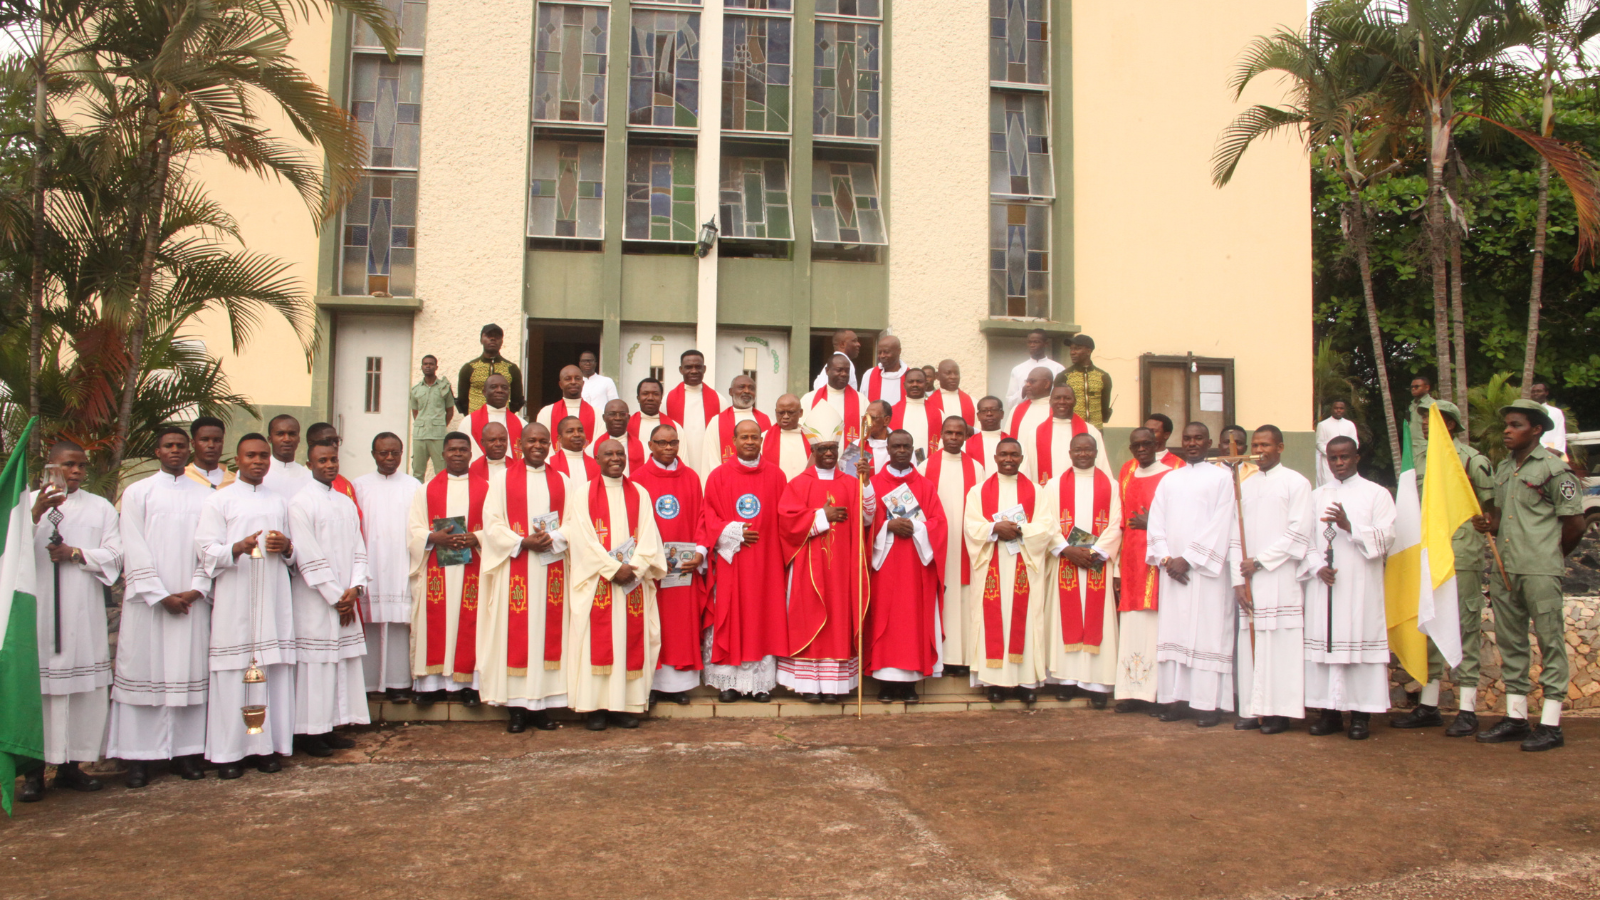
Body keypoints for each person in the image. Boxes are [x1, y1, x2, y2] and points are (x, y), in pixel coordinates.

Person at [1474, 399, 1585, 751]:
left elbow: (1575, 523)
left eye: (1516, 424)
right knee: (1511, 642)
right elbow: (1504, 516)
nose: (1507, 430)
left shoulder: (1554, 470)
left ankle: (1551, 724)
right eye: (1506, 424)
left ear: (1536, 429)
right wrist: (1487, 523)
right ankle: (1517, 718)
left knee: (1550, 643)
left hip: (1539, 569)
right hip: (1506, 568)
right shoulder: (1504, 469)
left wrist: (1551, 556)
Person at [107, 427, 211, 789]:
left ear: (190, 450)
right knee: (145, 673)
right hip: (149, 604)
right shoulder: (138, 493)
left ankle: (185, 752)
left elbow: (209, 546)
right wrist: (158, 593)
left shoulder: (205, 496)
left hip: (189, 602)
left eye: (181, 446)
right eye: (169, 446)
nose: (176, 451)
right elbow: (132, 544)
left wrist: (197, 588)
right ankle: (138, 759)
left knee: (185, 672)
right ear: (157, 451)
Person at [18, 440, 123, 802]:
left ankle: (71, 768)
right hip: (38, 609)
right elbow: (7, 548)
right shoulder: (24, 503)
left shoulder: (100, 507)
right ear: (50, 467)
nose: (76, 471)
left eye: (81, 466)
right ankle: (34, 772)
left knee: (80, 694)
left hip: (82, 610)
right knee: (40, 693)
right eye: (68, 465)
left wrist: (75, 553)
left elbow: (114, 554)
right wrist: (34, 514)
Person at [1390, 400, 1495, 736]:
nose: (1423, 424)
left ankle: (1467, 709)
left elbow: (1488, 507)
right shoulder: (1421, 460)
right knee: (1429, 625)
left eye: (1430, 418)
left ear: (1449, 424)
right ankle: (1429, 705)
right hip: (1426, 555)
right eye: (1421, 418)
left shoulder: (1471, 460)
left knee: (1464, 627)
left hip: (1461, 555)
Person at [195, 434, 296, 779]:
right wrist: (235, 547)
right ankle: (228, 754)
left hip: (272, 597)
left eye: (263, 456)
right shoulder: (219, 501)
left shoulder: (279, 501)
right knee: (231, 675)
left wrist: (286, 546)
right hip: (234, 597)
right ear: (237, 460)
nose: (259, 461)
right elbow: (205, 550)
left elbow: (294, 554)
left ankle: (266, 749)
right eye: (251, 455)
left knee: (271, 673)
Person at [563, 439, 667, 730]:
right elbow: (582, 539)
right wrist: (612, 569)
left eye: (620, 453)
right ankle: (595, 708)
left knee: (630, 642)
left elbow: (649, 536)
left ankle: (625, 706)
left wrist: (634, 568)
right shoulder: (583, 494)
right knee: (597, 642)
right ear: (596, 459)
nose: (615, 458)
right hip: (598, 584)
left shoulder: (640, 494)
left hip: (632, 583)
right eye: (608, 454)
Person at [477, 424, 571, 733]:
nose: (538, 446)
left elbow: (575, 522)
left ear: (551, 445)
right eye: (532, 440)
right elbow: (491, 523)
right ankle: (516, 708)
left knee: (547, 635)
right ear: (519, 444)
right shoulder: (502, 480)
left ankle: (541, 706)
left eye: (544, 441)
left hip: (551, 569)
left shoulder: (563, 482)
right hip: (515, 569)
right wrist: (521, 542)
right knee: (514, 634)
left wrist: (553, 537)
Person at [777, 403, 874, 703]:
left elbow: (868, 517)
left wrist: (867, 483)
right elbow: (787, 521)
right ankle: (808, 686)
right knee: (810, 618)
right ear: (813, 450)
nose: (829, 453)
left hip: (843, 568)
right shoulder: (798, 483)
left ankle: (833, 688)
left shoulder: (851, 482)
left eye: (833, 448)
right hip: (808, 567)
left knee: (838, 620)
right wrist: (822, 517)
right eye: (823, 449)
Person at [1304, 435, 1396, 741]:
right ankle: (1328, 714)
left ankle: (1360, 716)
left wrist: (1349, 526)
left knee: (1359, 644)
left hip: (1360, 585)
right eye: (1333, 458)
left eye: (1344, 457)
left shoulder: (1377, 494)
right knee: (1327, 642)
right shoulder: (1317, 495)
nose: (1339, 463)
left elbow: (1386, 539)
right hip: (1325, 585)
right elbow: (1304, 539)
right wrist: (1318, 566)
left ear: (1357, 457)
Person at [1146, 422, 1236, 728]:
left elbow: (1223, 522)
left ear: (1210, 442)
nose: (1193, 443)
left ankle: (1208, 705)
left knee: (1207, 632)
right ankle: (1176, 700)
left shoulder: (1223, 478)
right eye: (1188, 438)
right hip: (1174, 573)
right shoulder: (1170, 479)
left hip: (1205, 573)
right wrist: (1167, 558)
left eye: (1199, 438)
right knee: (1175, 634)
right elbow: (1155, 522)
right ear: (1180, 443)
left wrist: (1190, 558)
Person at [286, 440, 369, 757]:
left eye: (333, 459)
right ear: (310, 465)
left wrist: (355, 588)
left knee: (339, 665)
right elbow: (307, 554)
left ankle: (333, 725)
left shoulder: (345, 502)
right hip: (316, 601)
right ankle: (309, 733)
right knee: (315, 667)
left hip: (344, 597)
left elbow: (359, 548)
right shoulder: (300, 503)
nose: (330, 465)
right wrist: (337, 597)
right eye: (322, 461)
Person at [698, 419, 790, 702]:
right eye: (744, 437)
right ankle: (728, 682)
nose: (750, 442)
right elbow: (707, 516)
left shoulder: (777, 476)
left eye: (754, 437)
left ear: (761, 441)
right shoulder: (718, 476)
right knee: (730, 615)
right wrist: (733, 532)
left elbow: (786, 517)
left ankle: (760, 684)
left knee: (761, 617)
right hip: (732, 562)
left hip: (766, 562)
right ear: (733, 442)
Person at [1230, 425, 1313, 734]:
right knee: (1250, 643)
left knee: (1279, 644)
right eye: (1255, 445)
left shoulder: (1296, 483)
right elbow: (1233, 535)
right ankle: (1252, 709)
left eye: (1266, 445)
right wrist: (1237, 580)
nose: (1259, 450)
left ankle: (1278, 712)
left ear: (1280, 447)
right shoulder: (1246, 486)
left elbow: (1298, 532)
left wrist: (1261, 562)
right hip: (1249, 580)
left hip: (1279, 577)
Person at [963, 438, 1058, 704]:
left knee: (1025, 619)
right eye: (1003, 454)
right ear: (994, 457)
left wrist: (1018, 530)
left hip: (1024, 565)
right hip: (991, 562)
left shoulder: (1037, 492)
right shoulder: (978, 491)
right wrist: (994, 529)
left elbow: (1047, 527)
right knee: (993, 618)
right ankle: (994, 683)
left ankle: (1026, 682)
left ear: (1021, 457)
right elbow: (970, 526)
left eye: (1014, 455)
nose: (1008, 459)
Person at [407, 432, 487, 706]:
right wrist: (432, 537)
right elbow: (413, 528)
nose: (457, 454)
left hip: (473, 568)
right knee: (436, 620)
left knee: (471, 623)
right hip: (436, 569)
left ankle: (469, 685)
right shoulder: (426, 490)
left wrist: (478, 537)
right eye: (451, 449)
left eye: (463, 450)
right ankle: (431, 685)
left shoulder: (487, 488)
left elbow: (497, 527)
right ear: (442, 453)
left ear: (471, 454)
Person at [630, 423, 707, 705]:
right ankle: (649, 684)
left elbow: (702, 517)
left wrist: (699, 551)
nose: (667, 448)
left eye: (672, 443)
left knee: (679, 624)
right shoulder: (637, 479)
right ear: (650, 446)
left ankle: (677, 686)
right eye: (661, 443)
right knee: (651, 623)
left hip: (682, 569)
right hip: (651, 569)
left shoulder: (691, 477)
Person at [1044, 433, 1122, 708]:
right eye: (1078, 450)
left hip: (1096, 563)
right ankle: (1066, 681)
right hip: (1066, 560)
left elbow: (1116, 523)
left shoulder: (1111, 486)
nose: (1083, 454)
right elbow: (1047, 521)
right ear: (1069, 452)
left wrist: (1096, 552)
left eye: (1088, 450)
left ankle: (1097, 684)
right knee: (1065, 619)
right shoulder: (1054, 486)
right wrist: (1066, 550)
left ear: (1096, 451)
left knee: (1097, 620)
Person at [868, 429, 946, 702]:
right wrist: (887, 525)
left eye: (906, 446)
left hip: (915, 565)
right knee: (885, 620)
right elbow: (863, 523)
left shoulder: (925, 486)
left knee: (912, 619)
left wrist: (916, 526)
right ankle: (885, 685)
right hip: (884, 564)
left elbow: (939, 523)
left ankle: (910, 683)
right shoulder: (873, 484)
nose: (901, 451)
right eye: (896, 446)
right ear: (887, 449)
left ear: (913, 449)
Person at [353, 432, 421, 703]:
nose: (390, 458)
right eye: (383, 453)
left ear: (402, 453)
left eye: (395, 453)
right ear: (373, 454)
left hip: (401, 561)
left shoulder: (414, 485)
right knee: (369, 623)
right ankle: (368, 683)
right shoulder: (359, 486)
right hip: (370, 560)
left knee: (398, 623)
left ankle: (398, 682)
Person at [1112, 428, 1174, 714]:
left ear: (1157, 444)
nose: (1141, 450)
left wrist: (1156, 522)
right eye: (1136, 445)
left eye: (1147, 444)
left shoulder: (1170, 475)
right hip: (1130, 558)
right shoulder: (1126, 473)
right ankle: (1132, 691)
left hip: (1156, 560)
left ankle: (1157, 693)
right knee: (1133, 624)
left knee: (1155, 626)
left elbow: (1179, 517)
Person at [922, 416, 980, 676]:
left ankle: (963, 658)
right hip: (938, 543)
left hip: (967, 543)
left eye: (959, 433)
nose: (954, 438)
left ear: (966, 436)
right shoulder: (926, 466)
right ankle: (940, 657)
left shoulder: (978, 469)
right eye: (949, 433)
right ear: (941, 435)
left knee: (965, 598)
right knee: (941, 596)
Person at [1021, 383, 1110, 486]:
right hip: (1047, 495)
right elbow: (1026, 471)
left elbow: (1102, 466)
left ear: (1075, 402)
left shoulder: (1091, 432)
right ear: (1050, 402)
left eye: (1067, 398)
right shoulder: (1034, 435)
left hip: (1081, 492)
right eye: (1057, 398)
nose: (1062, 402)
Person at [703, 374, 771, 479]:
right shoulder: (716, 421)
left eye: (751, 388)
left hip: (759, 479)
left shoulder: (767, 421)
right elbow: (710, 458)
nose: (747, 391)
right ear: (731, 392)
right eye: (741, 387)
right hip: (726, 482)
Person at [665, 349, 722, 472]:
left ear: (704, 369)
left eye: (698, 367)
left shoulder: (719, 400)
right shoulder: (667, 401)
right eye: (689, 367)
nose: (694, 371)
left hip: (707, 462)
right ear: (681, 369)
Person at [456, 323, 524, 416]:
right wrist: (471, 416)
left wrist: (507, 414)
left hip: (502, 420)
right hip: (475, 419)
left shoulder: (511, 368)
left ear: (502, 341)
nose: (493, 339)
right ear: (481, 340)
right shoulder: (469, 368)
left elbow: (517, 400)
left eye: (497, 336)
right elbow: (462, 400)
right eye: (488, 336)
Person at [802, 354, 865, 451]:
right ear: (827, 371)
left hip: (851, 462)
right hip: (820, 461)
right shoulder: (809, 399)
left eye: (847, 371)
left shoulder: (862, 400)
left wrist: (851, 464)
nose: (844, 374)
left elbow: (867, 435)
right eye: (839, 370)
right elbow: (802, 432)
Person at [410, 354, 456, 480]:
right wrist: (423, 424)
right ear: (421, 367)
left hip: (438, 435)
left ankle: (441, 498)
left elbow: (450, 411)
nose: (428, 366)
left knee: (441, 472)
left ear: (436, 367)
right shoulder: (415, 390)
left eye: (431, 364)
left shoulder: (444, 388)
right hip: (420, 435)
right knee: (417, 472)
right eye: (425, 364)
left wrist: (439, 425)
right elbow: (415, 412)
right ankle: (418, 498)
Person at [1057, 335, 1113, 428]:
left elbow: (1104, 406)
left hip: (1096, 428)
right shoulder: (1064, 376)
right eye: (1071, 349)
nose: (1072, 352)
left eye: (1077, 349)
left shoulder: (1103, 376)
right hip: (1071, 428)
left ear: (1088, 351)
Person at [469, 373, 524, 463]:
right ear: (484, 392)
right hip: (479, 473)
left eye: (504, 387)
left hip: (512, 474)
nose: (499, 390)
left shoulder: (522, 424)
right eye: (494, 387)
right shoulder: (469, 422)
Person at [1005, 329, 1064, 411]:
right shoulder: (1018, 369)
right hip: (1025, 413)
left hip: (1049, 413)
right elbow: (1010, 403)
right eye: (1029, 342)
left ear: (1046, 344)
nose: (1032, 345)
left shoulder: (1058, 368)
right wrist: (1023, 391)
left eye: (1036, 342)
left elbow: (1062, 396)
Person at [535, 365, 598, 443]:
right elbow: (542, 441)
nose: (573, 382)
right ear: (560, 384)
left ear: (583, 383)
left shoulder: (597, 414)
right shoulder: (546, 412)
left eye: (577, 378)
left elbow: (598, 444)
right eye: (568, 379)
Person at [628, 378, 676, 471]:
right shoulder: (626, 426)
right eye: (645, 394)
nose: (650, 398)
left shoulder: (674, 427)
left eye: (655, 394)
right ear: (638, 398)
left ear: (661, 398)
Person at [890, 367, 938, 461]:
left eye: (919, 381)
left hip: (927, 466)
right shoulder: (892, 412)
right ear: (904, 385)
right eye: (911, 381)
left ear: (926, 384)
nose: (915, 384)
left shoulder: (938, 414)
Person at [762, 393, 811, 479]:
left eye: (790, 412)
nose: (785, 416)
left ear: (800, 413)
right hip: (777, 490)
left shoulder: (812, 438)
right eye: (781, 413)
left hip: (805, 490)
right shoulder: (763, 438)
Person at [588, 399, 642, 476]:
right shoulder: (591, 449)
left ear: (628, 418)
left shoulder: (643, 448)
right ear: (604, 418)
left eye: (622, 414)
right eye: (612, 414)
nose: (617, 418)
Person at [261, 414, 310, 498]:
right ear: (270, 439)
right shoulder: (258, 473)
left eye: (292, 434)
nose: (287, 439)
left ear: (299, 439)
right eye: (280, 434)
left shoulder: (309, 477)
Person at [548, 416, 600, 491]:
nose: (577, 434)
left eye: (580, 430)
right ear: (560, 438)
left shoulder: (596, 465)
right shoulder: (549, 464)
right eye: (570, 431)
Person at [1314, 400, 1359, 487]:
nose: (1338, 410)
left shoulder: (1350, 425)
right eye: (1336, 408)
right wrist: (1331, 454)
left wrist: (1347, 454)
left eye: (1341, 408)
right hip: (1329, 461)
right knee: (1329, 485)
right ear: (1332, 409)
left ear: (1344, 410)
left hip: (1346, 461)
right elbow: (1319, 443)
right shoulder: (1323, 425)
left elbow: (1355, 443)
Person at [186, 416, 236, 489]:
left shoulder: (235, 481)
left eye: (217, 440)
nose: (211, 445)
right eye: (204, 440)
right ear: (193, 443)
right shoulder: (182, 477)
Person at [964, 396, 1010, 473]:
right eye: (984, 411)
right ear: (978, 416)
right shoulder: (966, 446)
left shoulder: (1013, 444)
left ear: (1002, 414)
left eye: (993, 410)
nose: (989, 414)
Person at [1008, 366, 1057, 439]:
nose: (1027, 385)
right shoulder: (1017, 410)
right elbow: (1007, 441)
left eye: (1032, 381)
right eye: (1027, 382)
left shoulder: (1057, 410)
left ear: (1047, 384)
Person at [861, 333, 909, 407]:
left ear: (899, 351)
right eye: (880, 352)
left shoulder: (910, 376)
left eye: (886, 352)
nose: (882, 356)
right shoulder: (869, 375)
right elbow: (862, 404)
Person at [931, 359, 977, 432]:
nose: (953, 377)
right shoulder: (929, 403)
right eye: (948, 373)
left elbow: (979, 432)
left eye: (956, 373)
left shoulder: (973, 402)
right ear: (937, 376)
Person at [1529, 381, 1568, 459]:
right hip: (1532, 451)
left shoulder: (1556, 412)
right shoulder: (1527, 412)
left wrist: (1558, 451)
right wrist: (1546, 448)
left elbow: (1560, 433)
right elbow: (1529, 434)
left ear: (1546, 393)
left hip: (1554, 453)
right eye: (1533, 392)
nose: (1535, 393)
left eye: (1539, 391)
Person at [469, 422, 513, 490]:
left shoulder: (515, 466)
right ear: (483, 442)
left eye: (502, 440)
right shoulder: (475, 468)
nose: (498, 444)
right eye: (492, 440)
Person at [1408, 374, 1435, 464]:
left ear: (1427, 387)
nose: (1413, 389)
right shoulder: (1412, 404)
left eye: (1417, 387)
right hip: (1412, 446)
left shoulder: (1431, 404)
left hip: (1425, 447)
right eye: (1412, 387)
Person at [864, 401, 893, 474]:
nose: (868, 422)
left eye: (872, 418)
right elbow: (848, 479)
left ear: (886, 420)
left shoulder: (900, 445)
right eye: (866, 417)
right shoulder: (858, 445)